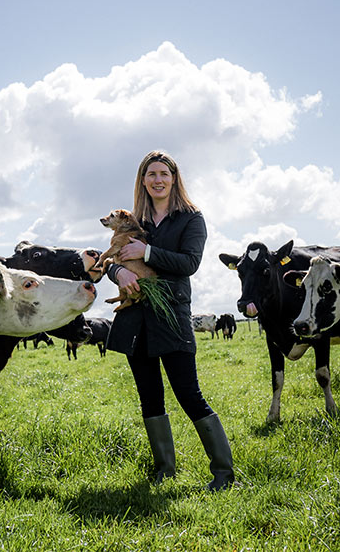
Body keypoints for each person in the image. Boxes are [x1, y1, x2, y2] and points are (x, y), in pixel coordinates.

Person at [104, 150, 235, 491]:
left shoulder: (191, 219)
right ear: (143, 181)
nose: (158, 180)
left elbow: (189, 263)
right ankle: (165, 471)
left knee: (188, 393)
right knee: (149, 396)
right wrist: (118, 273)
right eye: (151, 174)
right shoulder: (134, 221)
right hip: (135, 319)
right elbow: (111, 260)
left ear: (174, 179)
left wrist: (146, 252)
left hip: (172, 315)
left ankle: (223, 473)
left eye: (164, 173)